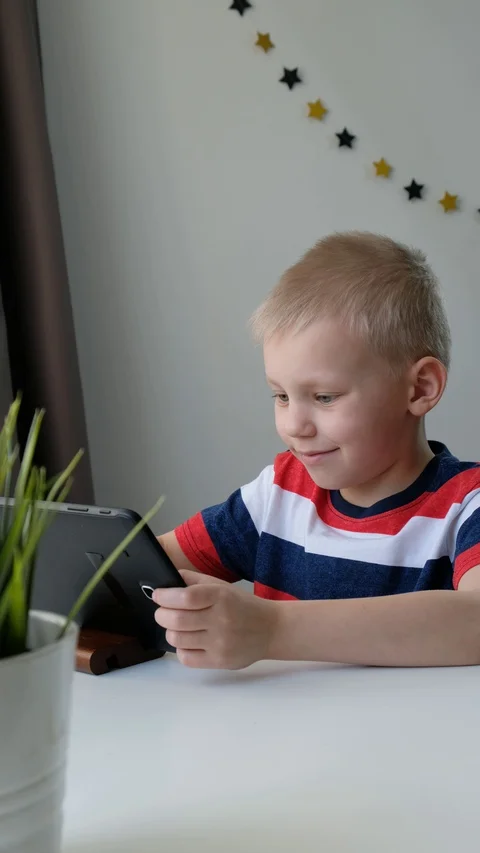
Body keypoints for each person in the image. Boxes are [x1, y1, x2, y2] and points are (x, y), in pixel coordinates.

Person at [153, 231, 480, 670]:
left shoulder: (466, 506)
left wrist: (272, 629)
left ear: (420, 388)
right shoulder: (279, 493)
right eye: (281, 396)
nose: (294, 426)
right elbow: (148, 566)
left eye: (324, 397)